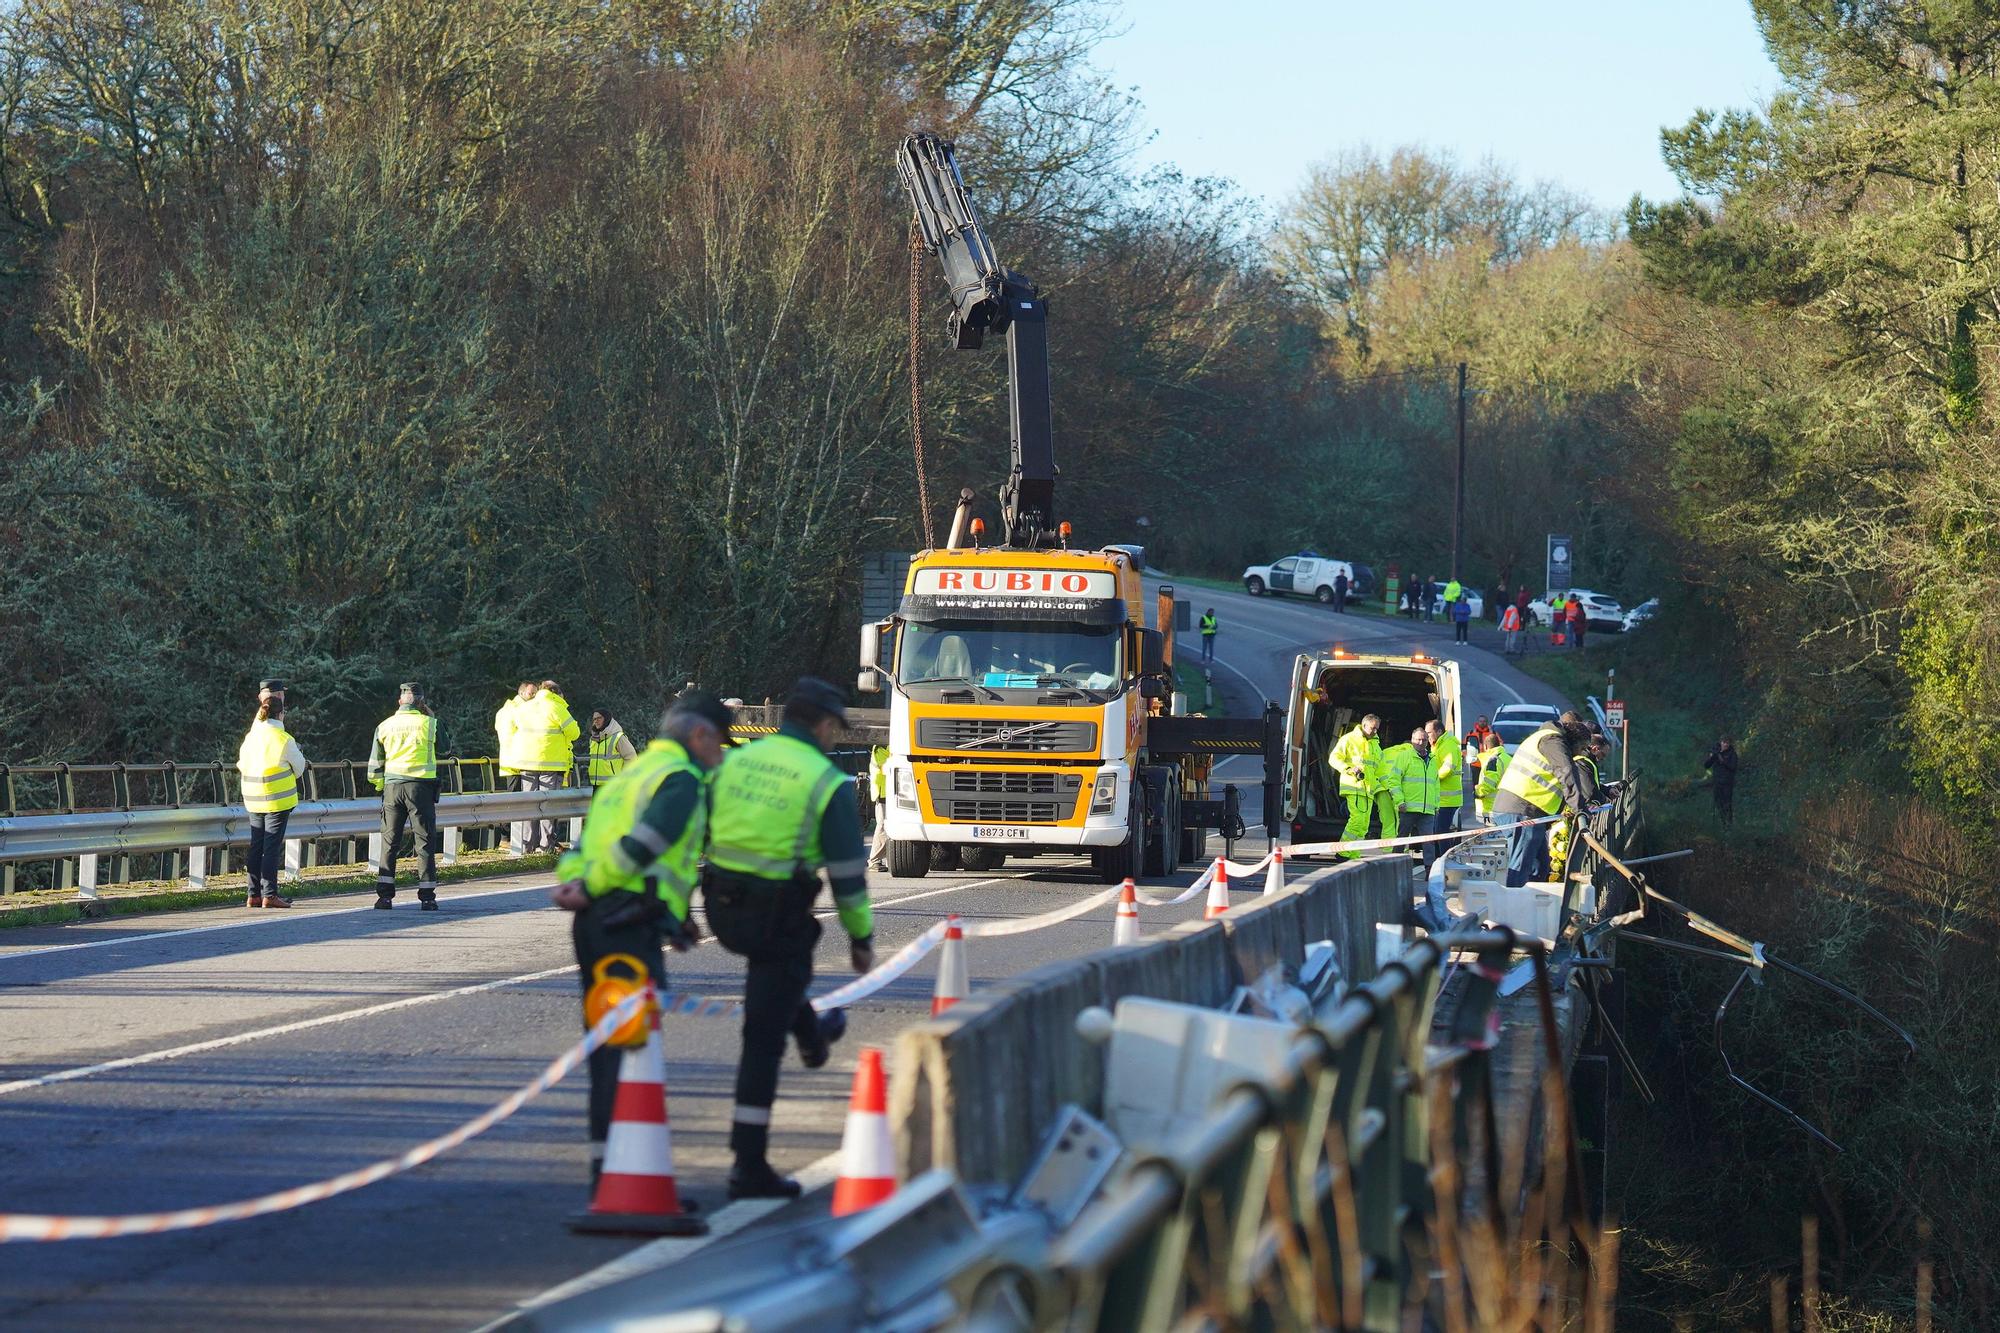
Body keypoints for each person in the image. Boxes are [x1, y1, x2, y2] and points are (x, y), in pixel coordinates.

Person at [703, 677, 875, 1199]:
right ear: (823, 725)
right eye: (833, 730)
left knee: (780, 982)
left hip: (719, 905)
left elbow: (700, 822)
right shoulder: (823, 779)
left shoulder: (738, 760)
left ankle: (814, 1034)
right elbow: (847, 872)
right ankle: (748, 1163)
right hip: (776, 914)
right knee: (762, 1035)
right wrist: (861, 937)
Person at [553, 691, 731, 1193]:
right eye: (720, 744)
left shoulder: (631, 775)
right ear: (699, 736)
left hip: (599, 919)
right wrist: (594, 887)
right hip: (625, 921)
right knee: (630, 1047)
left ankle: (606, 1167)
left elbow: (587, 846)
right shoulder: (680, 780)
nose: (721, 755)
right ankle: (624, 1178)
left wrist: (578, 884)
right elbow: (644, 847)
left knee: (609, 1045)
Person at [1491, 712, 1593, 887]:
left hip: (1527, 811)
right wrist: (1579, 809)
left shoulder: (1547, 738)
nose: (1583, 752)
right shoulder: (1553, 741)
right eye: (1583, 747)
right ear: (1574, 741)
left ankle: (1534, 907)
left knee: (1539, 867)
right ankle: (1514, 907)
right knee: (1521, 868)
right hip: (1522, 810)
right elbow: (1566, 772)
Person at [368, 682, 441, 909]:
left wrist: (382, 786)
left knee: (390, 842)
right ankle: (427, 897)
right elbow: (446, 748)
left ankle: (385, 896)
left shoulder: (384, 725)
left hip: (392, 788)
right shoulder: (431, 724)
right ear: (421, 702)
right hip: (420, 788)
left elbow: (374, 766)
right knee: (425, 841)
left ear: (400, 701)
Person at [236, 678, 305, 908]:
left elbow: (241, 763)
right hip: (278, 799)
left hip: (253, 797)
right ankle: (270, 895)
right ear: (281, 715)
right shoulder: (284, 739)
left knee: (256, 846)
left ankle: (253, 894)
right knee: (271, 848)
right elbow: (300, 768)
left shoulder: (251, 736)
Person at [518, 679, 582, 853]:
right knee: (547, 806)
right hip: (550, 763)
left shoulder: (526, 707)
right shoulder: (555, 707)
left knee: (529, 806)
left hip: (526, 763)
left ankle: (527, 846)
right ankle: (545, 847)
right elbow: (575, 733)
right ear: (555, 692)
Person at [1329, 712, 1394, 858]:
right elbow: (1333, 758)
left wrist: (1389, 788)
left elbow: (1381, 770)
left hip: (1368, 790)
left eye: (1377, 728)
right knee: (1357, 820)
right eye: (1372, 728)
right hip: (1355, 786)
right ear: (1364, 725)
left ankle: (1353, 853)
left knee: (1364, 825)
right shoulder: (1349, 739)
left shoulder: (1376, 746)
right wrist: (1348, 769)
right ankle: (1343, 851)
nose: (1375, 731)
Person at [1382, 727, 1438, 868]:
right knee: (1401, 839)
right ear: (1412, 741)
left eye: (1424, 740)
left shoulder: (1432, 760)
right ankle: (1394, 866)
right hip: (1408, 808)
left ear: (1428, 741)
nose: (1420, 742)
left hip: (1427, 810)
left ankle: (1429, 871)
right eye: (1417, 739)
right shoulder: (1404, 757)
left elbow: (1435, 784)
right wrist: (1400, 801)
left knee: (1429, 842)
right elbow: (1393, 780)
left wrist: (1436, 805)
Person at [497, 681, 538, 851]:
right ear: (522, 693)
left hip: (510, 760)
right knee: (515, 801)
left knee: (513, 799)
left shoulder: (506, 709)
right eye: (531, 694)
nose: (535, 697)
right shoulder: (520, 711)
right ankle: (507, 838)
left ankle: (509, 838)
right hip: (518, 761)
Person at [1427, 720, 1464, 836]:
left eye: (1429, 732)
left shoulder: (1448, 745)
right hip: (1441, 799)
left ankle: (1444, 854)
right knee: (1437, 832)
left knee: (1440, 832)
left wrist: (1430, 779)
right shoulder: (1438, 745)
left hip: (1448, 800)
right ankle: (1439, 854)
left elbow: (1447, 768)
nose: (1426, 735)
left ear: (1438, 731)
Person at [587, 709, 639, 789]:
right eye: (594, 719)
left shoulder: (618, 737)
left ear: (607, 719)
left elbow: (631, 758)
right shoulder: (593, 739)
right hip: (596, 785)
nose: (596, 721)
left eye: (599, 718)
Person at [866, 743, 891, 870]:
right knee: (883, 826)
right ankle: (874, 860)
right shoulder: (880, 749)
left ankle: (886, 860)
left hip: (889, 791)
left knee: (886, 827)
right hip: (883, 792)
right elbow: (888, 765)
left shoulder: (885, 747)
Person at [1473, 733, 1509, 824]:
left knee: (1491, 837)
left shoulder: (1493, 760)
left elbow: (1489, 783)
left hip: (1492, 808)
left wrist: (1478, 792)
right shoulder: (1508, 758)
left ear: (1485, 746)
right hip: (1506, 806)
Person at [1704, 735, 1739, 825]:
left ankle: (1729, 823)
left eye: (1727, 742)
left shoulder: (1732, 754)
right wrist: (1712, 757)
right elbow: (1706, 766)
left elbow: (1733, 767)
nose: (1725, 744)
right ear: (1721, 742)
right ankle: (1723, 822)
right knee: (1718, 803)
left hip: (1727, 783)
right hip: (1717, 782)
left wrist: (1723, 761)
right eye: (1724, 742)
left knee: (1727, 803)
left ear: (1730, 743)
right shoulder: (1716, 752)